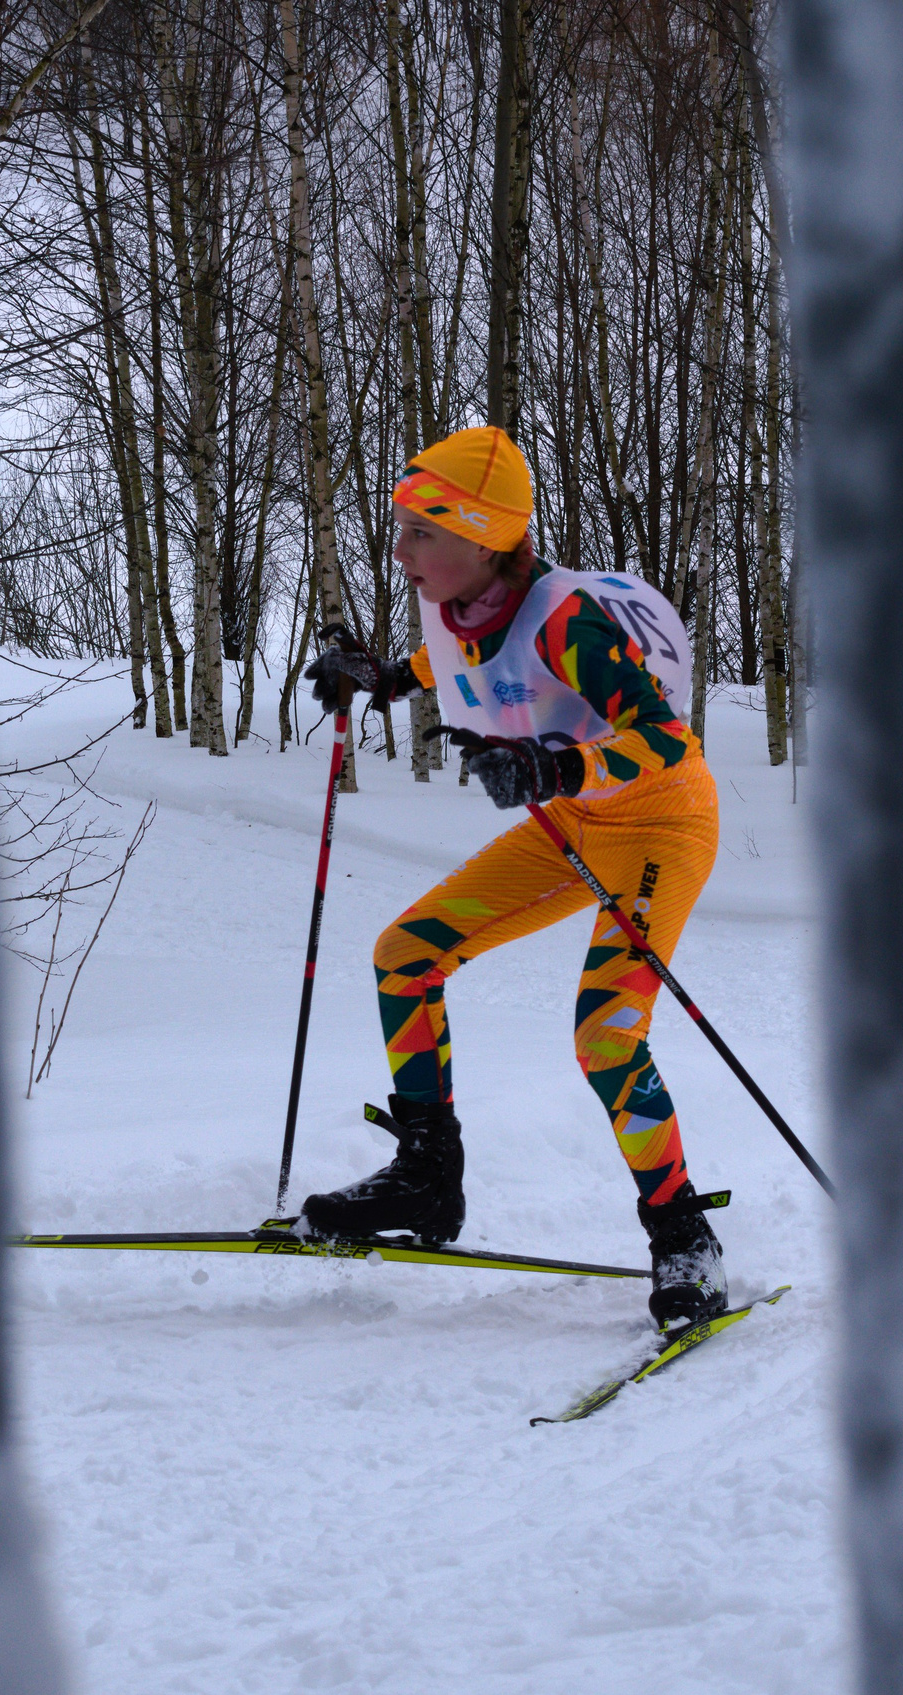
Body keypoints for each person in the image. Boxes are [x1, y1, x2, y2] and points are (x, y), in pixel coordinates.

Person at [294, 425, 728, 1327]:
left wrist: (554, 766)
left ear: (483, 538)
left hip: (659, 822)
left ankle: (682, 1234)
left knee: (606, 1035)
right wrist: (378, 677)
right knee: (405, 955)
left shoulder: (566, 619)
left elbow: (663, 737)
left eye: (421, 532)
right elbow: (451, 660)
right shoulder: (456, 604)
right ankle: (426, 1179)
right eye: (402, 529)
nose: (401, 550)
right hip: (572, 824)